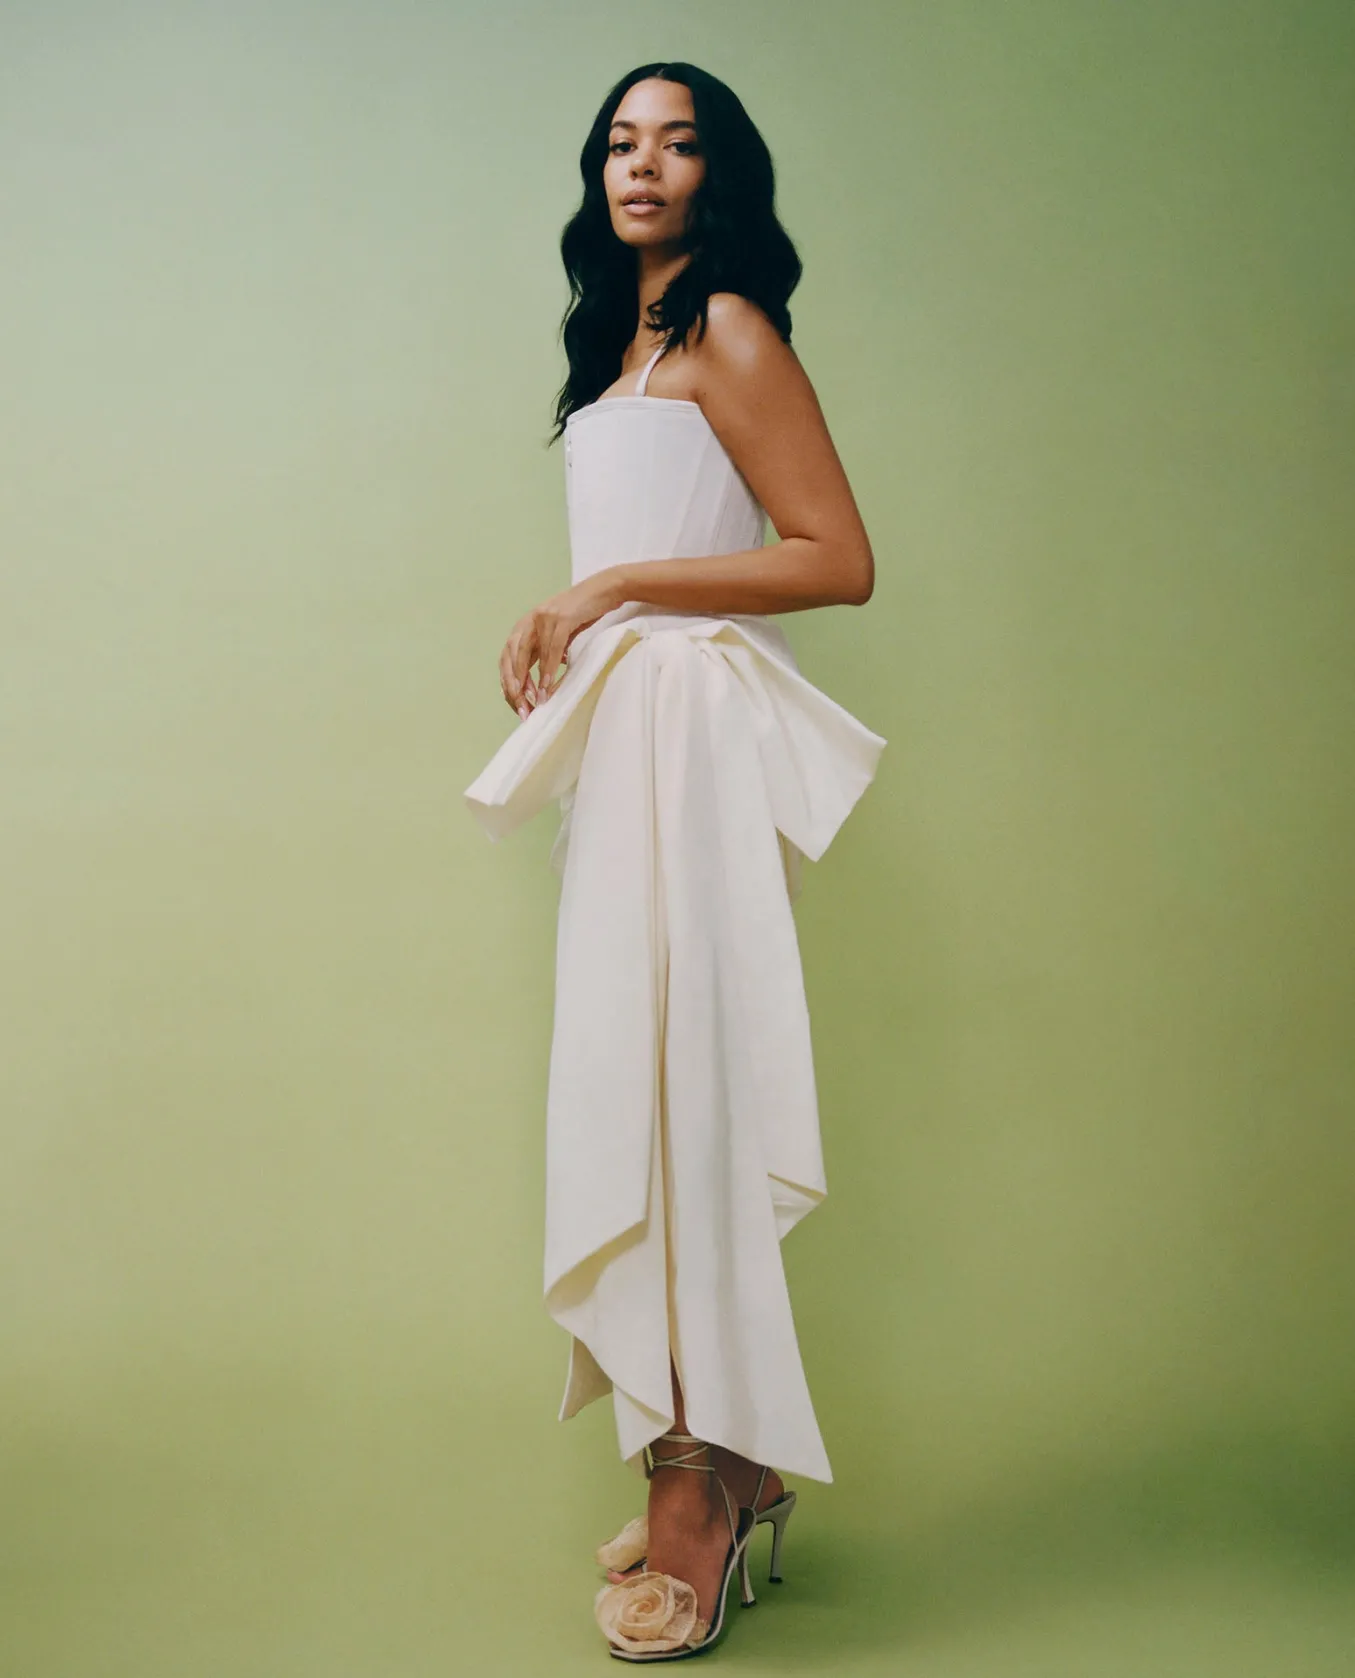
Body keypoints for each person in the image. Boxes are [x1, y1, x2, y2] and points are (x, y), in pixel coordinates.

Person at [463, 60, 886, 1661]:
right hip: (625, 745)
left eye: (678, 142)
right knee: (620, 1079)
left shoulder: (727, 330)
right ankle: (711, 1451)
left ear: (721, 171)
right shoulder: (620, 345)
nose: (643, 166)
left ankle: (702, 1483)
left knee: (682, 1084)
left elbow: (836, 556)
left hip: (691, 747)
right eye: (621, 143)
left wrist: (606, 590)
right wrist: (579, 619)